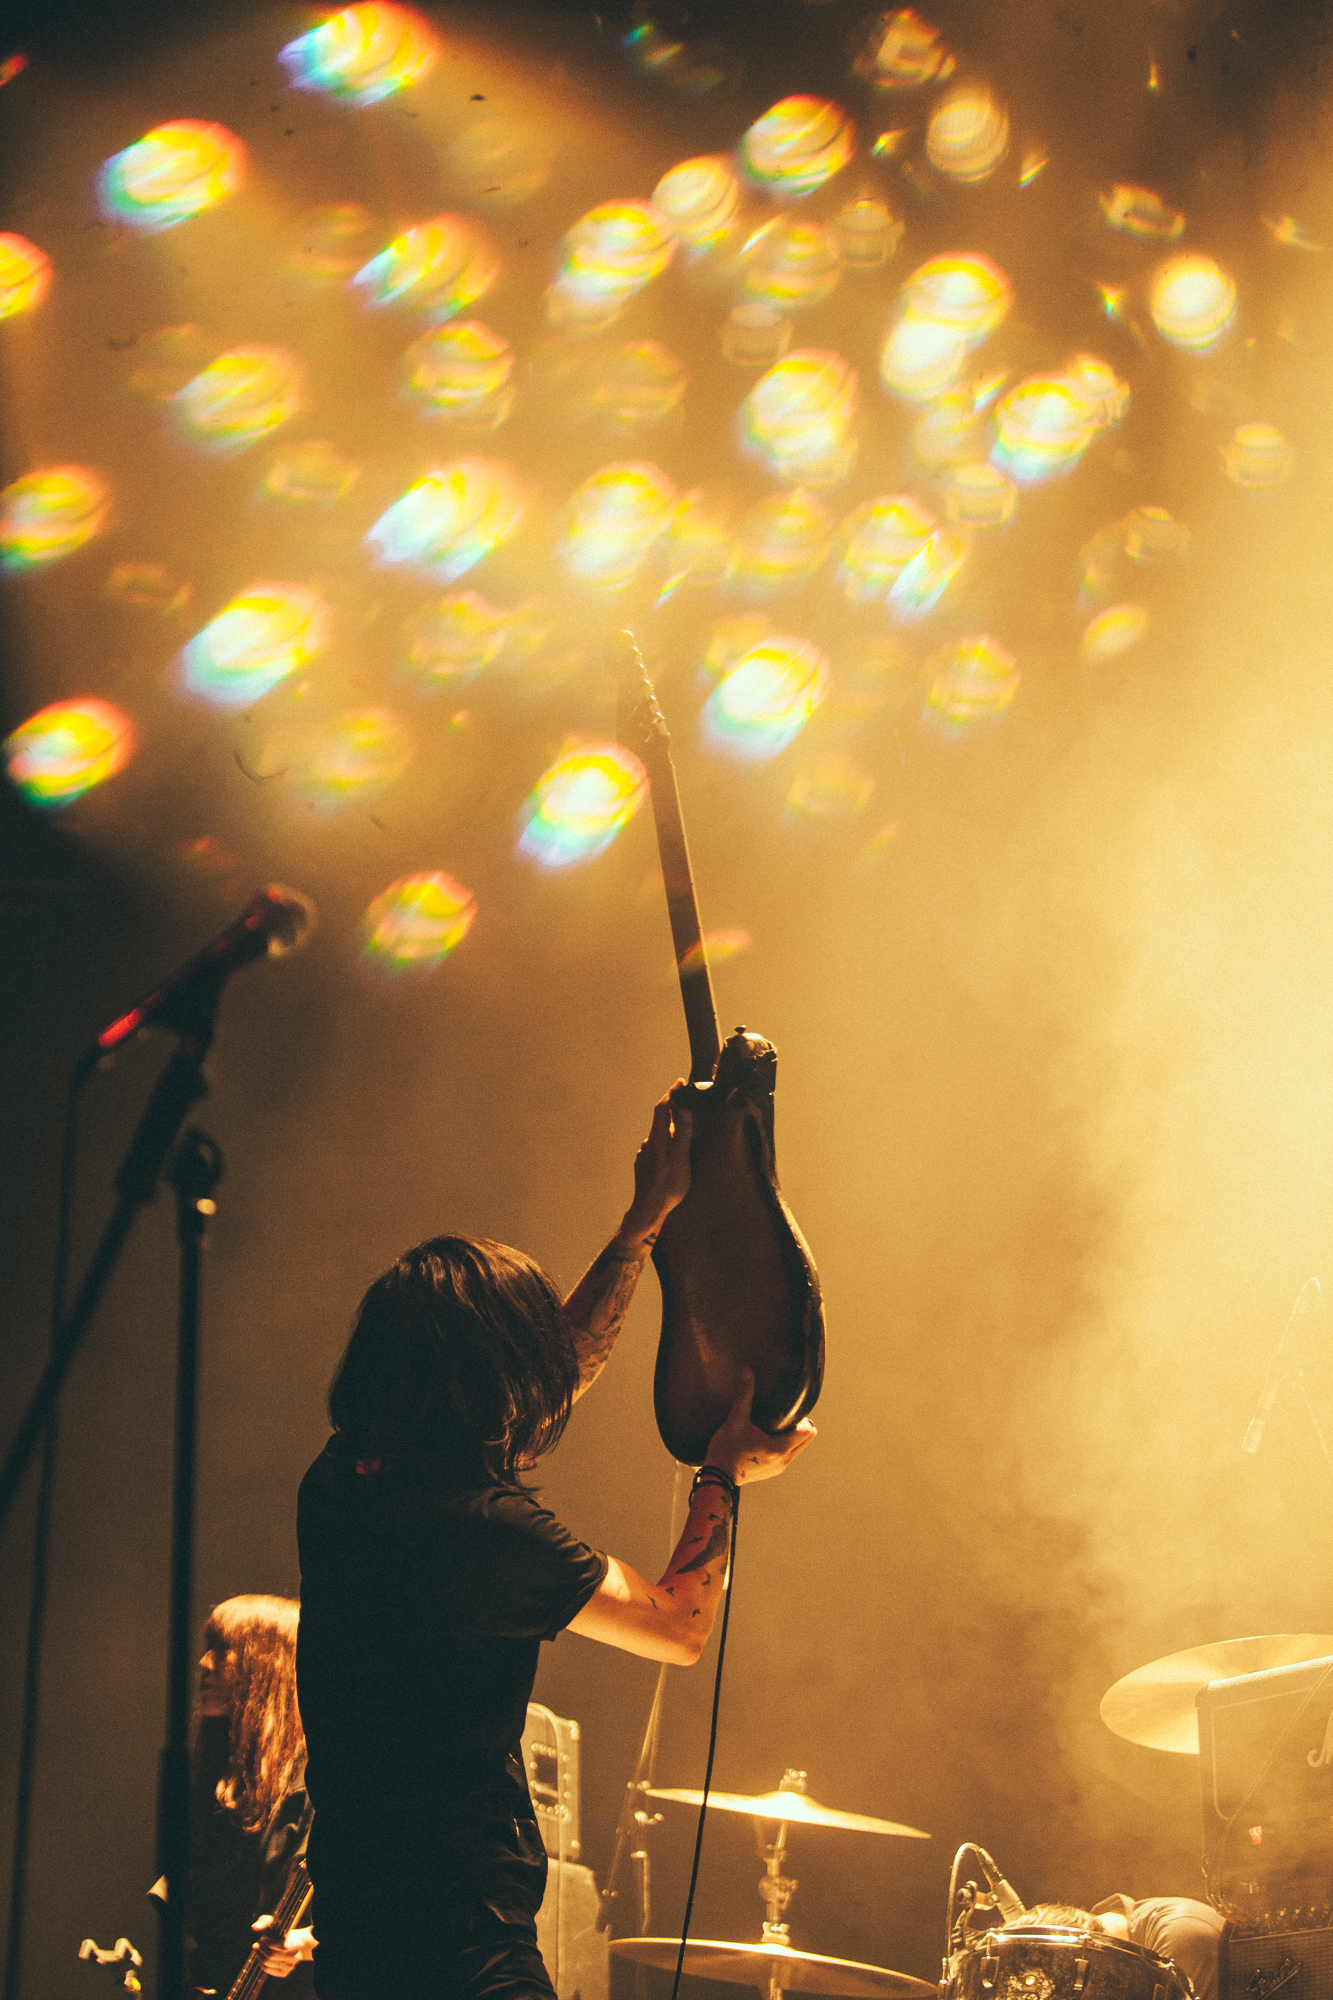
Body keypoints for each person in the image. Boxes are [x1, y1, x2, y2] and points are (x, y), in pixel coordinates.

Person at [296, 1086, 816, 2000]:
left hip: (357, 1935)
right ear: (490, 1378)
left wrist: (642, 1225)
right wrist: (722, 1474)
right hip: (463, 1948)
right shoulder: (487, 1530)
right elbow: (677, 1626)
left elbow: (544, 1377)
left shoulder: (340, 1482)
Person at [162, 1594, 316, 1995]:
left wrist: (303, 1944)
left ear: (267, 1664)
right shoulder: (223, 1780)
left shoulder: (316, 1786)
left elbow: (378, 1910)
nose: (203, 1663)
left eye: (222, 1648)